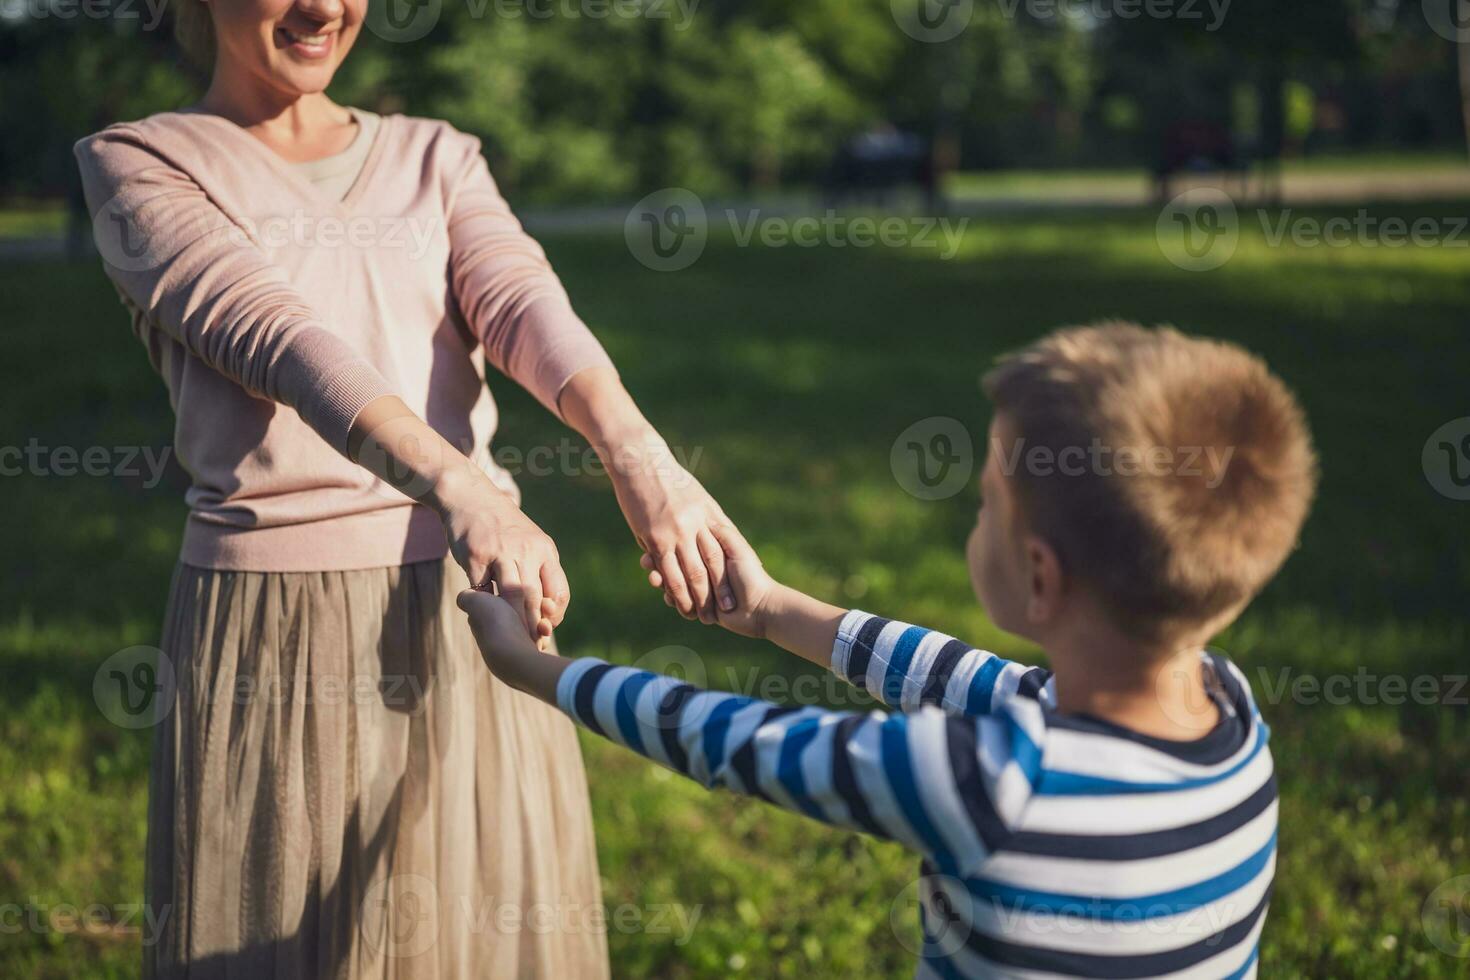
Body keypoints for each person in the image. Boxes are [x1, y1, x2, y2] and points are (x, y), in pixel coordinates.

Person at [73, 0, 744, 974]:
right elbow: (276, 338)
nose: (324, 6)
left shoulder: (438, 153)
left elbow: (518, 300)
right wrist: (459, 484)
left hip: (480, 611)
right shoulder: (139, 162)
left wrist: (642, 457)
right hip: (279, 629)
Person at [458, 322, 1318, 978]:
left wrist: (537, 667)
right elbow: (974, 682)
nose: (976, 518)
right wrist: (771, 610)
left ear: (1040, 578)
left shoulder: (991, 786)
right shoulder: (1228, 711)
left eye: (987, 503)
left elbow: (731, 739)